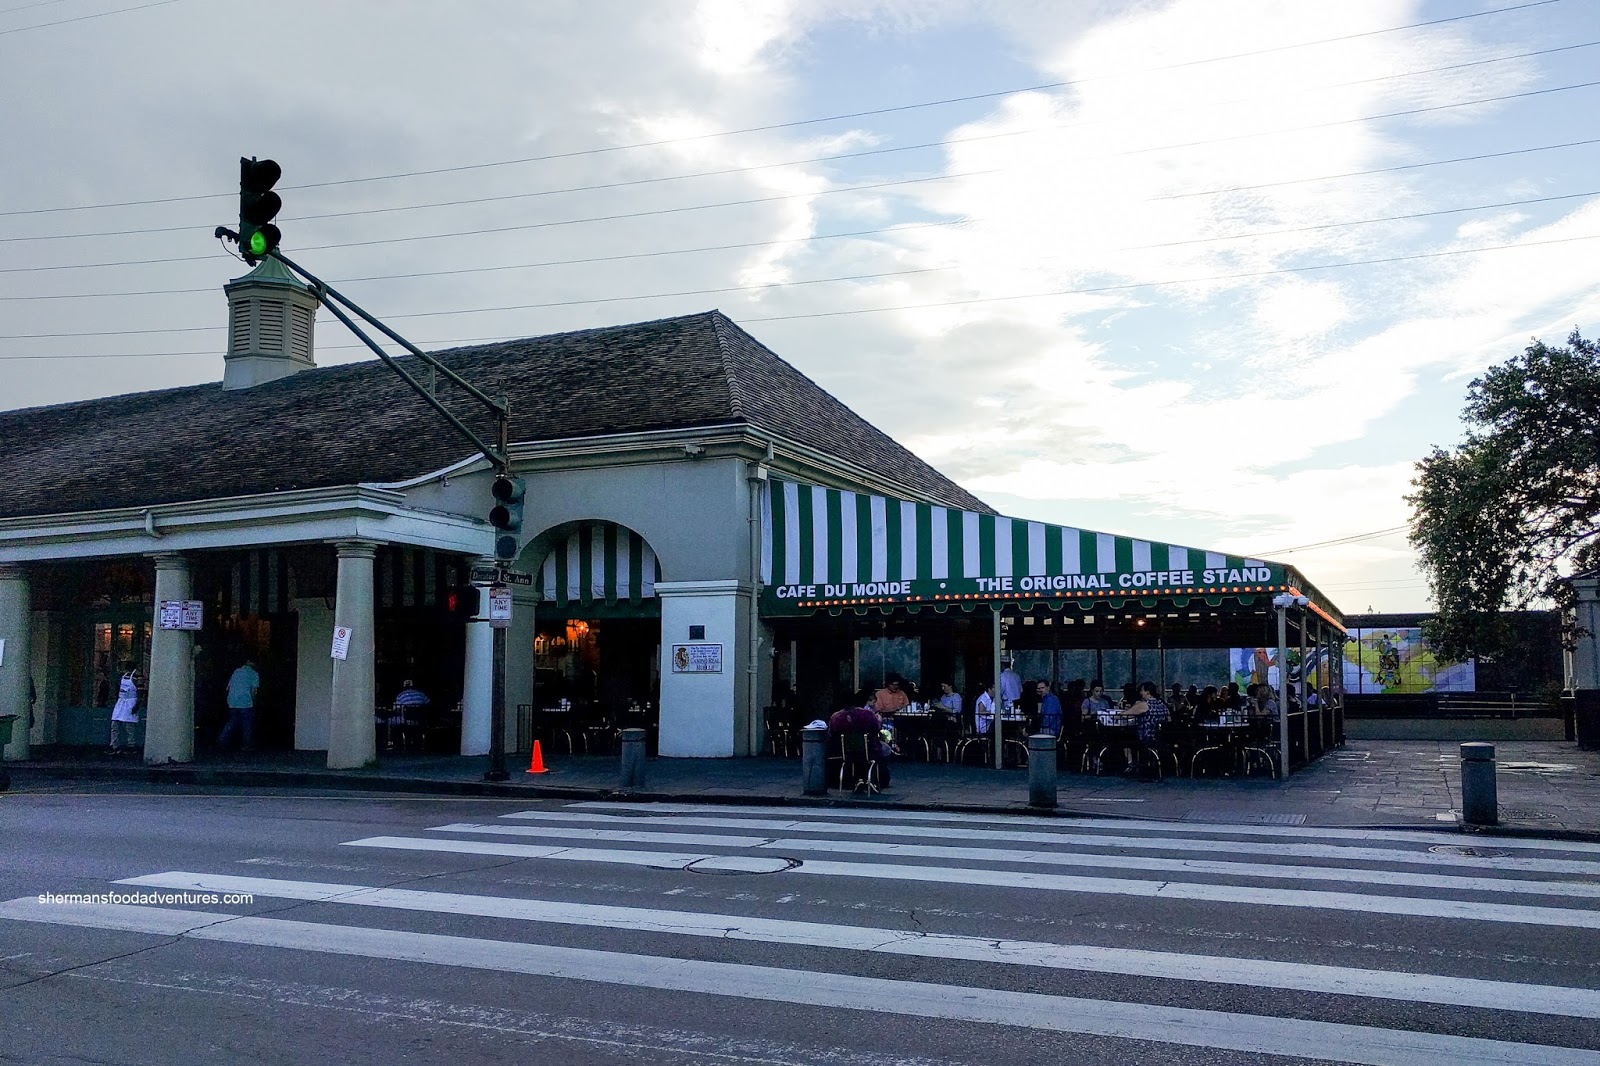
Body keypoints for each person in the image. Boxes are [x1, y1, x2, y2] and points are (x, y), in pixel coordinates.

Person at [827, 700, 892, 790]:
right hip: (869, 750)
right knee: (886, 749)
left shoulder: (835, 717)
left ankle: (855, 779)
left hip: (844, 751)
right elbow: (876, 730)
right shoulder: (868, 715)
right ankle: (879, 780)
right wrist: (879, 721)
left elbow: (832, 735)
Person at [218, 658, 261, 751]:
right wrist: (254, 702)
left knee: (232, 722)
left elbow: (227, 688)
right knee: (247, 724)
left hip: (232, 701)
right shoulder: (254, 674)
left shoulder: (236, 672)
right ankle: (246, 745)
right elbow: (254, 691)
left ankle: (222, 739)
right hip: (246, 702)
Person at [108, 661, 140, 754]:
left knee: (129, 725)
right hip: (121, 700)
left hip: (131, 701)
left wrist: (137, 704)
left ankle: (131, 746)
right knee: (115, 723)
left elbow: (140, 691)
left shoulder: (137, 677)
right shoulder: (123, 675)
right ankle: (114, 745)